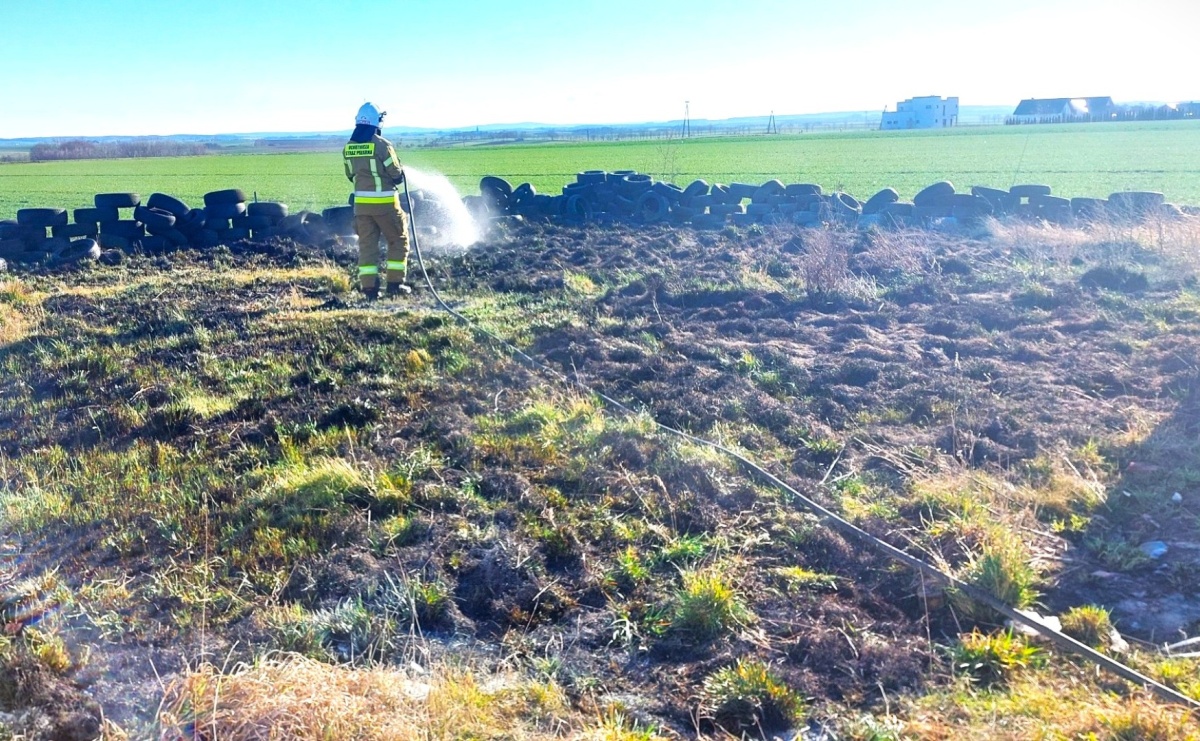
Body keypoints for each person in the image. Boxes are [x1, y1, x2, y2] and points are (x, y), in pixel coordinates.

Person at [343, 102, 410, 300]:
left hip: (362, 209)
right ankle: (395, 285)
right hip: (386, 206)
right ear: (376, 123)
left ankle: (369, 289)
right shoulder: (382, 145)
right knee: (398, 241)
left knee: (367, 247)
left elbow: (349, 174)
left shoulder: (349, 148)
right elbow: (396, 175)